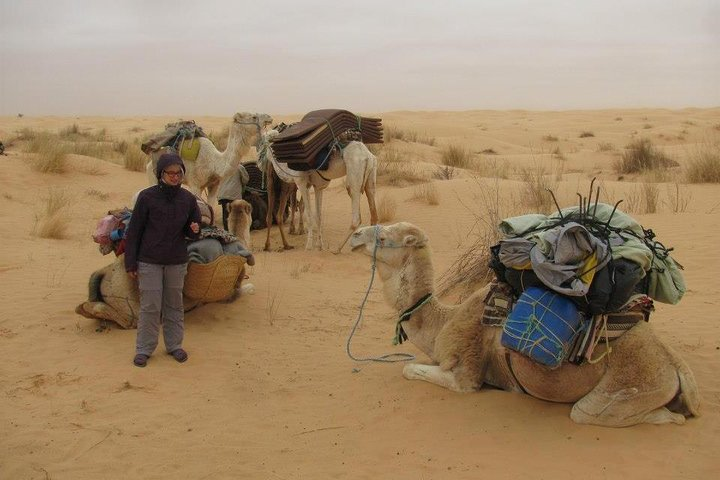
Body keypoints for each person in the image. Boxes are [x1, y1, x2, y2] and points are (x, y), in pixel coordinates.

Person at [124, 153, 201, 368]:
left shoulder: (188, 199)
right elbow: (135, 231)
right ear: (161, 174)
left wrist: (195, 229)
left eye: (179, 173)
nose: (175, 177)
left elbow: (192, 230)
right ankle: (144, 349)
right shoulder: (147, 198)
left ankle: (174, 345)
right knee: (150, 306)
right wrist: (130, 262)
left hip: (176, 260)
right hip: (150, 260)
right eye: (171, 173)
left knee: (174, 305)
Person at [217, 164, 250, 231]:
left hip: (222, 194)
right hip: (234, 196)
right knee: (235, 215)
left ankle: (226, 233)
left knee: (225, 215)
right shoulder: (239, 167)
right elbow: (245, 180)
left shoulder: (222, 166)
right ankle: (235, 232)